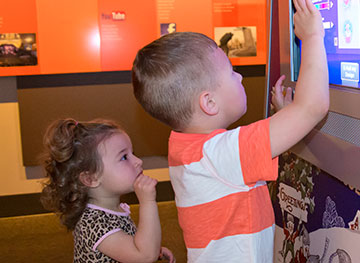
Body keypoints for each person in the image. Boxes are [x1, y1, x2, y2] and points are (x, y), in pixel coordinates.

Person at [131, 0, 328, 261]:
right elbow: (312, 107)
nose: (240, 78)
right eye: (232, 72)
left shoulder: (185, 146)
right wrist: (312, 36)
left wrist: (284, 117)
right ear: (209, 103)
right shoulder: (221, 154)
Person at [40, 118, 175, 263]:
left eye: (132, 153)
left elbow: (133, 246)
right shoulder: (93, 224)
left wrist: (154, 248)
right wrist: (147, 202)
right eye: (124, 157)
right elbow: (145, 256)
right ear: (90, 178)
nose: (138, 161)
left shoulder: (108, 209)